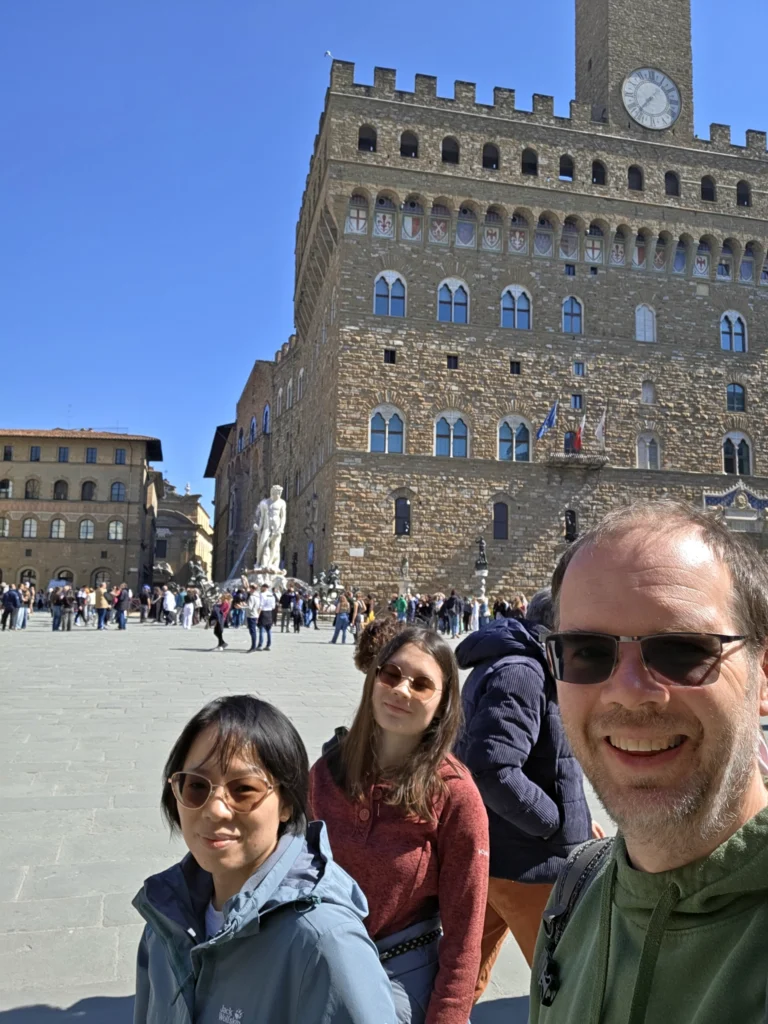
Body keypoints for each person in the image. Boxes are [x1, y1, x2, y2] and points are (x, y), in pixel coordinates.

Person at [529, 499, 768, 1024]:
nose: (630, 693)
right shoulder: (574, 893)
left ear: (763, 675)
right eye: (587, 651)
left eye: (682, 649)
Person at [133, 695, 396, 1024]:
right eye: (196, 786)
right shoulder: (165, 921)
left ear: (287, 803)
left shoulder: (325, 943)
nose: (215, 809)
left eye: (244, 789)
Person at [310, 626, 489, 1024]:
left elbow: (464, 936)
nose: (401, 690)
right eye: (391, 675)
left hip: (398, 980)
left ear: (442, 704)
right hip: (318, 969)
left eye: (421, 684)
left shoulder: (455, 796)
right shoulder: (326, 773)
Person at [455, 587, 592, 993]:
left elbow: (549, 764)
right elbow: (493, 767)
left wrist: (579, 821)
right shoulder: (524, 673)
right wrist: (554, 824)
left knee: (462, 981)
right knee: (565, 989)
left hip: (500, 854)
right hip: (527, 864)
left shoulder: (521, 665)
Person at [255, 583, 276, 651]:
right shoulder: (271, 594)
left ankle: (260, 645)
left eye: (262, 587)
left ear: (264, 587)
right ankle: (268, 645)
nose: (261, 588)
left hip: (263, 612)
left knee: (261, 629)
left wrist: (257, 616)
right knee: (269, 629)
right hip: (269, 612)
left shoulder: (262, 594)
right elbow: (273, 606)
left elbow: (260, 605)